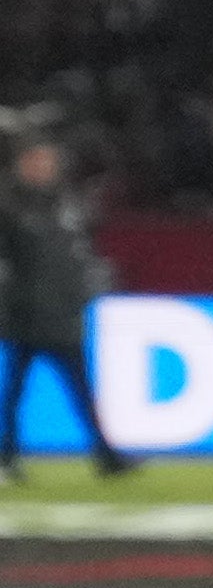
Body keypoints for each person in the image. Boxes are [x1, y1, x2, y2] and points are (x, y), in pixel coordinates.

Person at [3, 129, 132, 482]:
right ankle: (8, 457)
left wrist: (83, 291)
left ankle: (107, 457)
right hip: (26, 315)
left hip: (62, 315)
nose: (44, 167)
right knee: (15, 391)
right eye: (37, 161)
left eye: (48, 161)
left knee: (80, 390)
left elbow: (80, 254)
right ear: (22, 165)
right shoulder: (10, 206)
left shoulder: (66, 204)